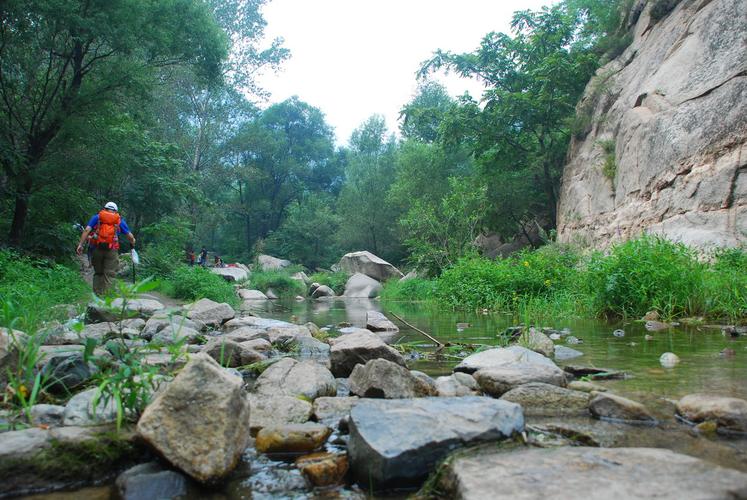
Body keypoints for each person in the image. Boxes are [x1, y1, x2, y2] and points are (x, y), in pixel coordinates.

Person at [76, 202, 136, 296]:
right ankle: (107, 299)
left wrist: (80, 244)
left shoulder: (97, 217)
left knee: (98, 273)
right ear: (116, 211)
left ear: (104, 208)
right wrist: (133, 241)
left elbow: (87, 230)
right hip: (112, 250)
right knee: (110, 274)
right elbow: (130, 236)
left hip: (97, 248)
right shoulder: (119, 220)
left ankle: (97, 297)